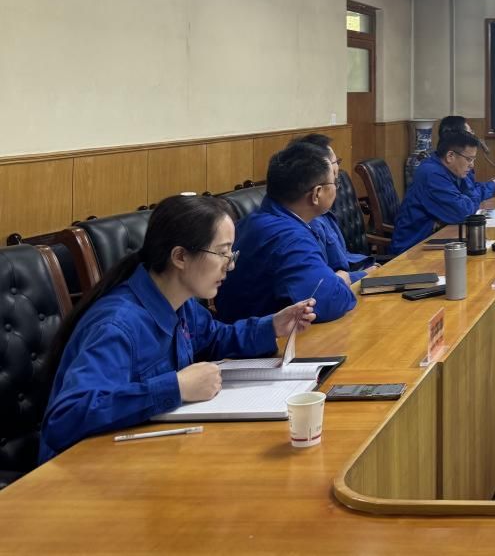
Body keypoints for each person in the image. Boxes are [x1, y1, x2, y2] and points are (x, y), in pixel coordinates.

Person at [39, 195, 315, 461]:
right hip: (84, 471)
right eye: (221, 253)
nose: (229, 266)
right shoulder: (116, 325)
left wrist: (272, 326)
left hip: (145, 453)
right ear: (180, 257)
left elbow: (214, 338)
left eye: (231, 253)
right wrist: (176, 387)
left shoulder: (180, 302)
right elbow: (66, 418)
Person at [214, 142, 358, 324]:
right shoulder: (289, 238)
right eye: (335, 182)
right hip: (260, 339)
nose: (337, 187)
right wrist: (342, 280)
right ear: (317, 194)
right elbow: (330, 301)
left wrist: (343, 278)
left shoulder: (260, 219)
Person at [392, 130, 495, 254]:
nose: (472, 165)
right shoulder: (432, 174)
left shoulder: (449, 169)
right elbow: (463, 212)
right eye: (469, 159)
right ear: (450, 156)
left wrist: (471, 196)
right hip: (412, 249)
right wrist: (477, 195)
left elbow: (469, 193)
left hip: (434, 239)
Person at [293, 133, 374, 281]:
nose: (336, 188)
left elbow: (343, 257)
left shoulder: (321, 213)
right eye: (335, 182)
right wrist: (365, 274)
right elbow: (327, 280)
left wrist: (370, 268)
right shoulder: (310, 223)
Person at [435, 115, 495, 201]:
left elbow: (470, 189)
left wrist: (492, 185)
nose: (473, 136)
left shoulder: (457, 164)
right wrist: (492, 187)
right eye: (470, 133)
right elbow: (464, 203)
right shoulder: (435, 174)